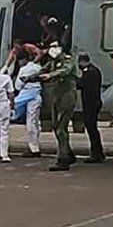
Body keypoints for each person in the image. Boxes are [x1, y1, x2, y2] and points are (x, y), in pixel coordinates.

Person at [35, 40, 78, 172]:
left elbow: (65, 71)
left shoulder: (67, 60)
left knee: (61, 128)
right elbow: (43, 70)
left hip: (67, 96)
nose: (52, 49)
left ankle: (63, 159)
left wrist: (50, 75)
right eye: (51, 47)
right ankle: (68, 153)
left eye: (55, 47)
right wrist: (30, 77)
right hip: (56, 96)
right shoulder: (52, 62)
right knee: (55, 126)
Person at [77, 53, 105, 163]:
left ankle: (96, 154)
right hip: (94, 103)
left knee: (91, 129)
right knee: (92, 128)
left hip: (91, 104)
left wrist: (74, 80)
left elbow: (82, 84)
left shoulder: (89, 72)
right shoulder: (94, 70)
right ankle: (99, 153)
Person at [14, 52, 43, 158]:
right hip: (37, 96)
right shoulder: (39, 67)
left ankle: (34, 148)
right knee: (35, 122)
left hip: (28, 95)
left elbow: (18, 85)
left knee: (30, 123)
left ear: (24, 60)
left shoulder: (23, 70)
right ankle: (35, 145)